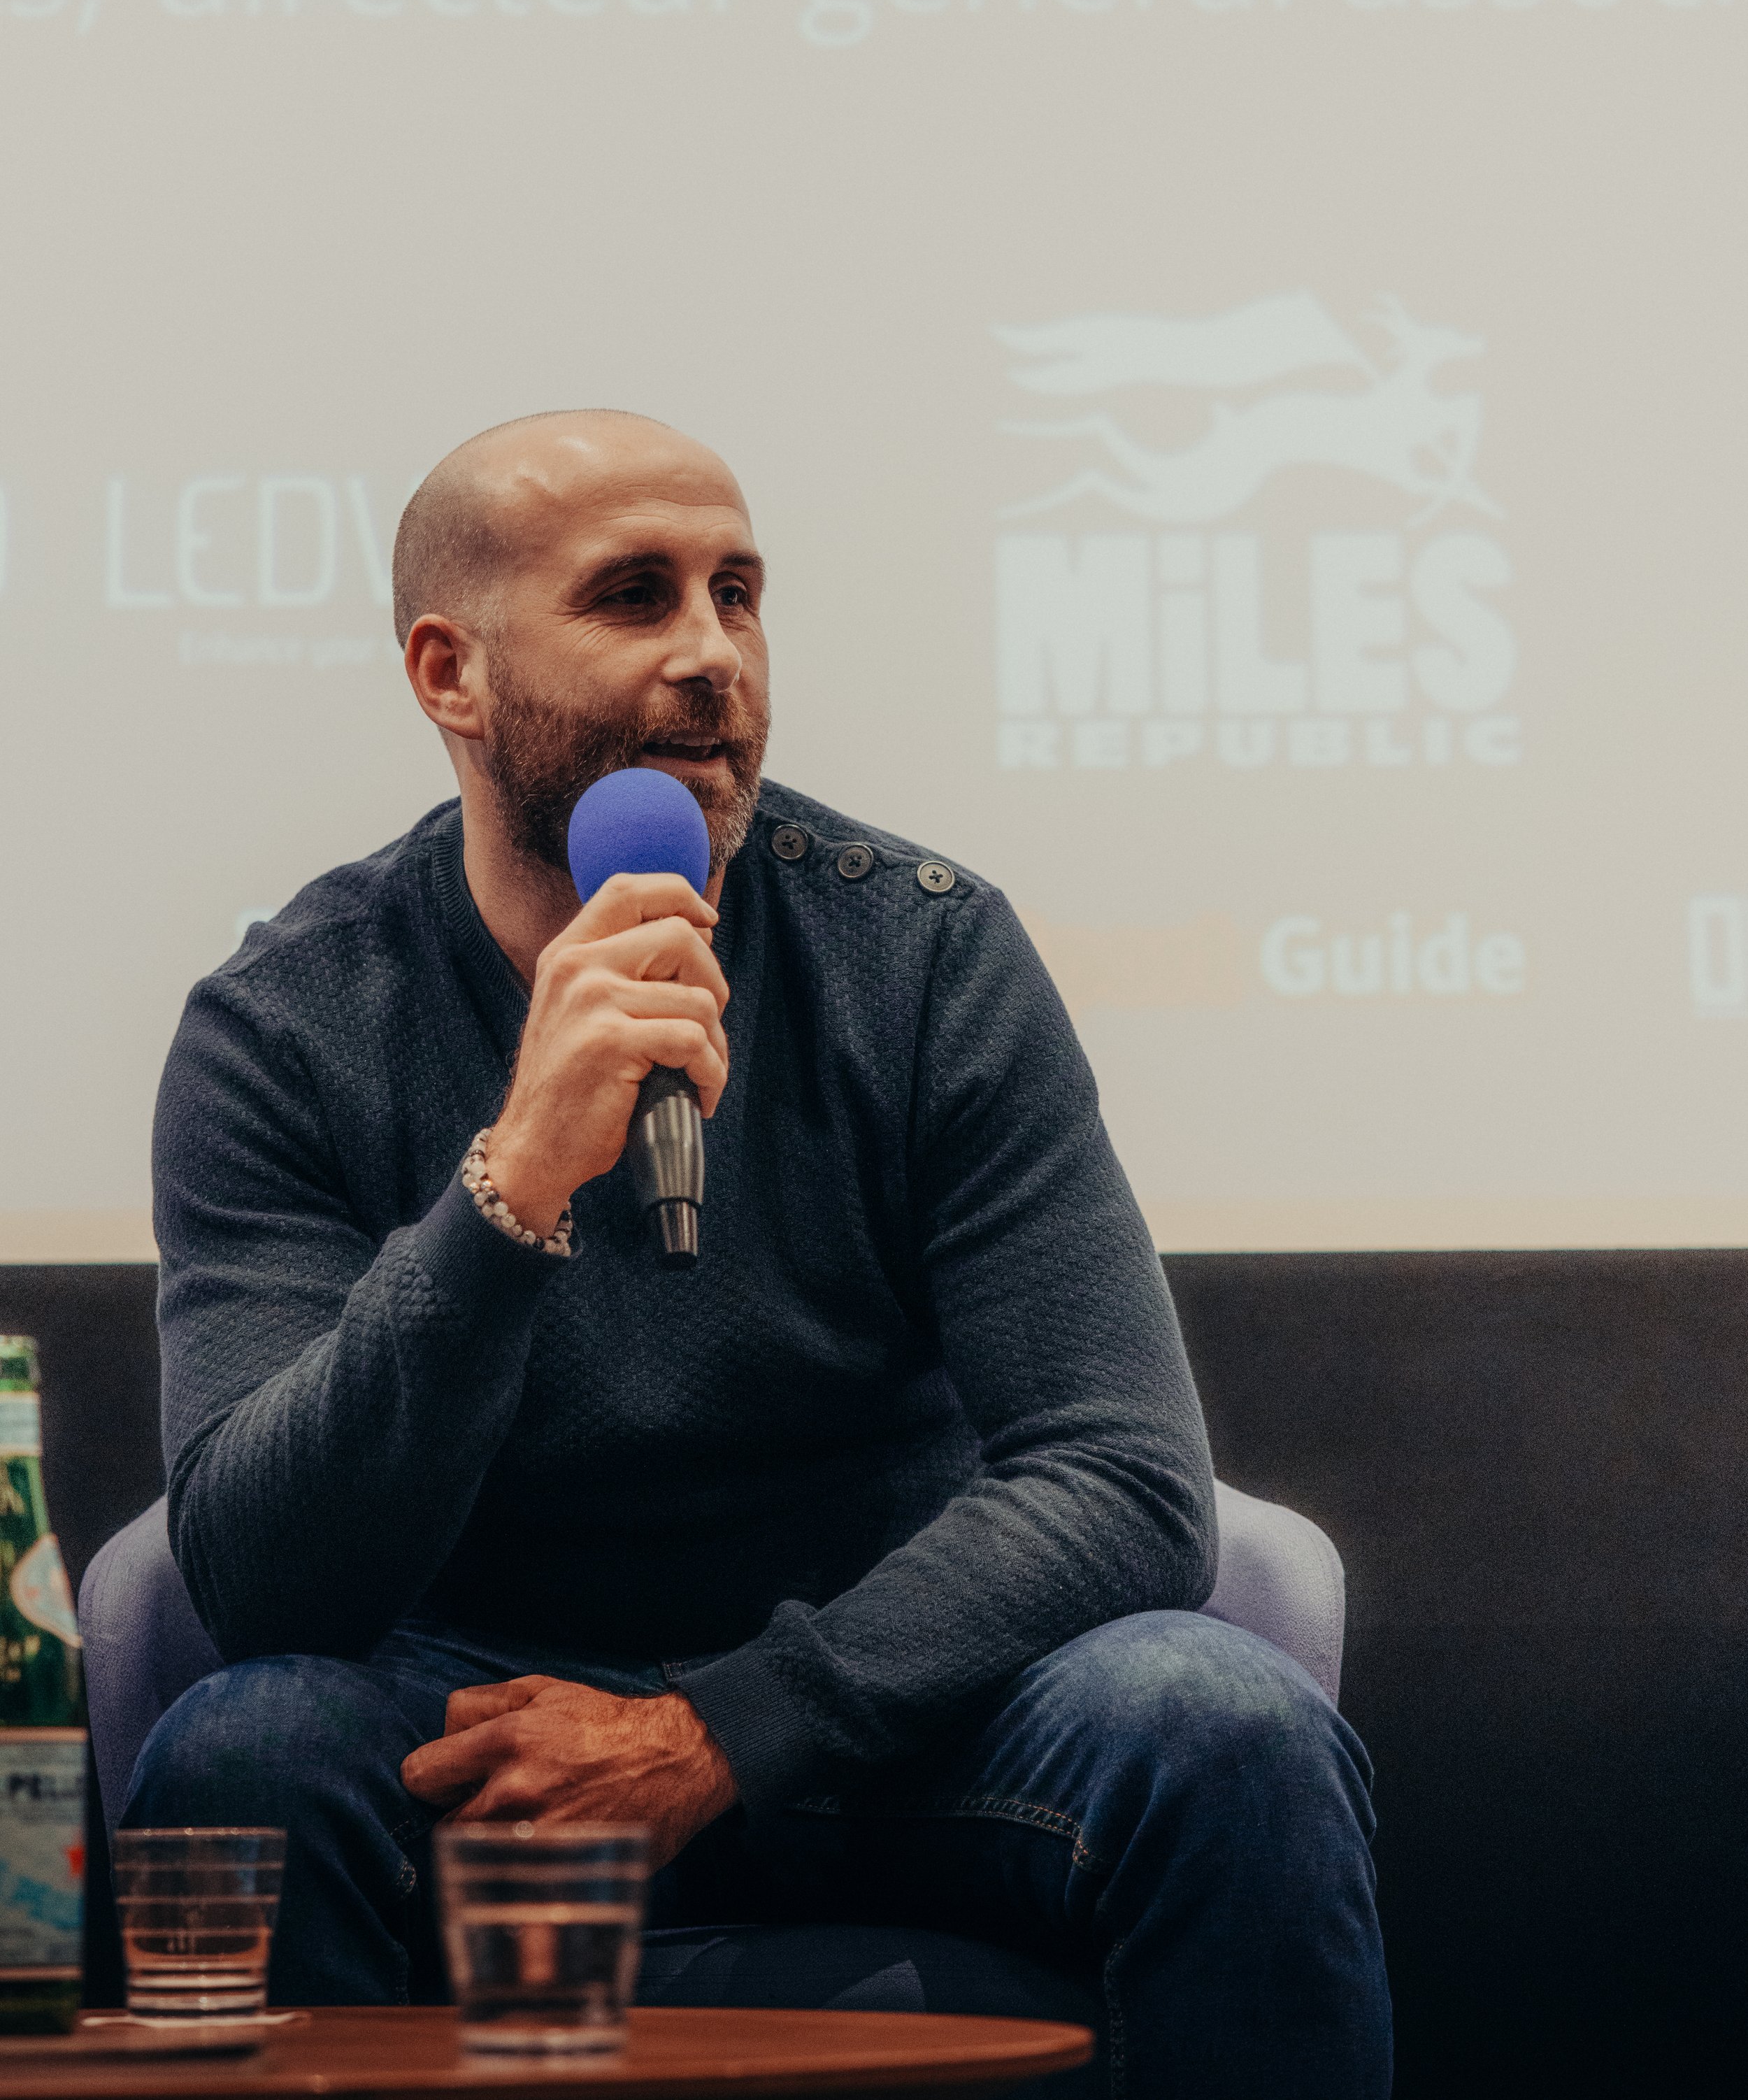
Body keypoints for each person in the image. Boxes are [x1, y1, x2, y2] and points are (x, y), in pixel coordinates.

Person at [131, 410, 1390, 2095]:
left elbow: (1120, 1473)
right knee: (247, 1749)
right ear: (450, 671)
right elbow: (260, 1573)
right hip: (488, 1729)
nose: (712, 652)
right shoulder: (285, 1023)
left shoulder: (922, 953)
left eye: (737, 591)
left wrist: (723, 1726)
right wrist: (510, 1189)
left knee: (1224, 1727)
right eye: (633, 595)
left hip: (891, 1704)